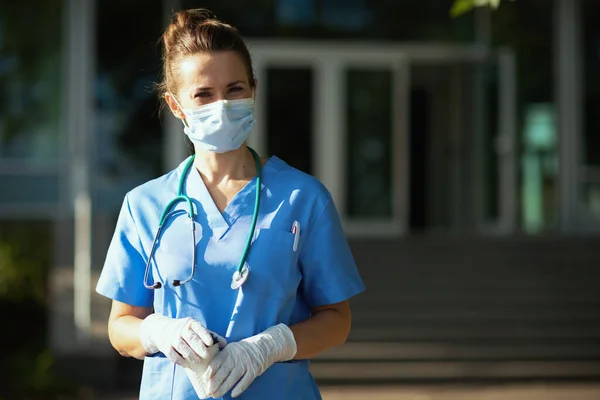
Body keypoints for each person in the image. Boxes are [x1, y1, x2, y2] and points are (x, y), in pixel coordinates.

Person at [95, 8, 365, 400]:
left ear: (253, 89)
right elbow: (121, 327)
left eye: (235, 89)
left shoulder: (303, 199)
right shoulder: (145, 206)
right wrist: (158, 331)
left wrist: (271, 345)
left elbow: (337, 321)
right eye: (203, 94)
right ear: (176, 106)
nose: (221, 104)